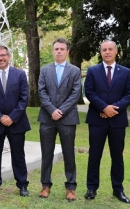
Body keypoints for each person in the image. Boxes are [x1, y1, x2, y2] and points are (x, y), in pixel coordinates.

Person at [84, 40, 130, 203]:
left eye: (110, 49)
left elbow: (129, 94)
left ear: (116, 52)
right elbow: (89, 92)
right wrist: (104, 108)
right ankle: (91, 188)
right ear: (101, 52)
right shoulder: (93, 70)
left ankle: (118, 189)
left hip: (117, 121)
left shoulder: (126, 72)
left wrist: (113, 110)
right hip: (97, 120)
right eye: (104, 50)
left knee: (117, 156)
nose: (107, 52)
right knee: (94, 155)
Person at [0, 45, 31, 197]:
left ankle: (22, 184)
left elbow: (24, 99)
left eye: (3, 55)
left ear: (9, 56)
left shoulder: (20, 75)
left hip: (16, 123)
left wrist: (12, 117)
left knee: (18, 155)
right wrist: (0, 117)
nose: (1, 58)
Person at [37, 38, 81, 201]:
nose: (59, 51)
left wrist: (60, 111)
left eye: (62, 49)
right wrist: (51, 110)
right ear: (52, 51)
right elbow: (41, 92)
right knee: (46, 153)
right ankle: (45, 186)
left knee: (69, 154)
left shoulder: (75, 71)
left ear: (67, 51)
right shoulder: (44, 70)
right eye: (56, 49)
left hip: (67, 119)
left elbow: (75, 94)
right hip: (47, 118)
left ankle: (70, 187)